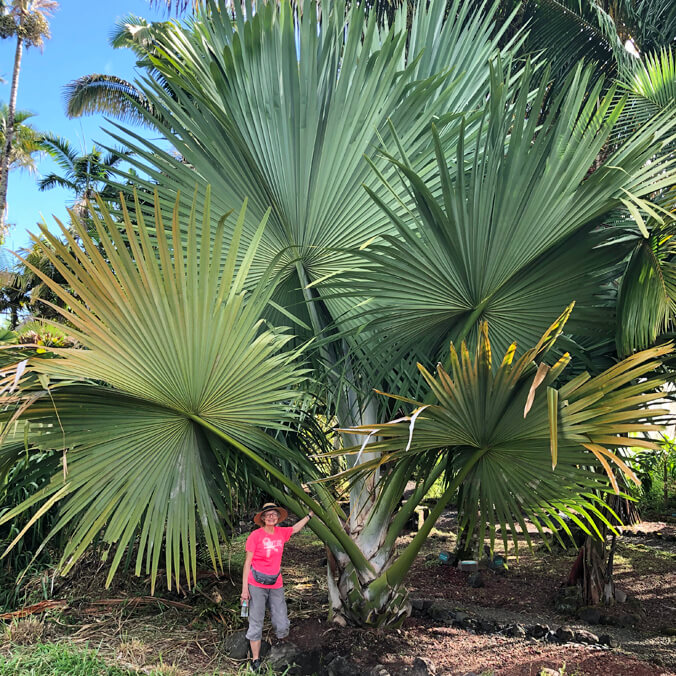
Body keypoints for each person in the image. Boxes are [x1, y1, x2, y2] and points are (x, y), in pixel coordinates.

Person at [242, 501, 313, 673]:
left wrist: (310, 515)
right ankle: (256, 660)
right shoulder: (255, 536)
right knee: (256, 621)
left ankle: (281, 647)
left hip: (276, 583)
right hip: (256, 584)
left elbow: (295, 528)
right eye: (268, 515)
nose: (271, 517)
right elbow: (247, 563)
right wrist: (245, 590)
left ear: (278, 517)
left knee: (281, 620)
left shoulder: (281, 532)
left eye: (274, 514)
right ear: (263, 518)